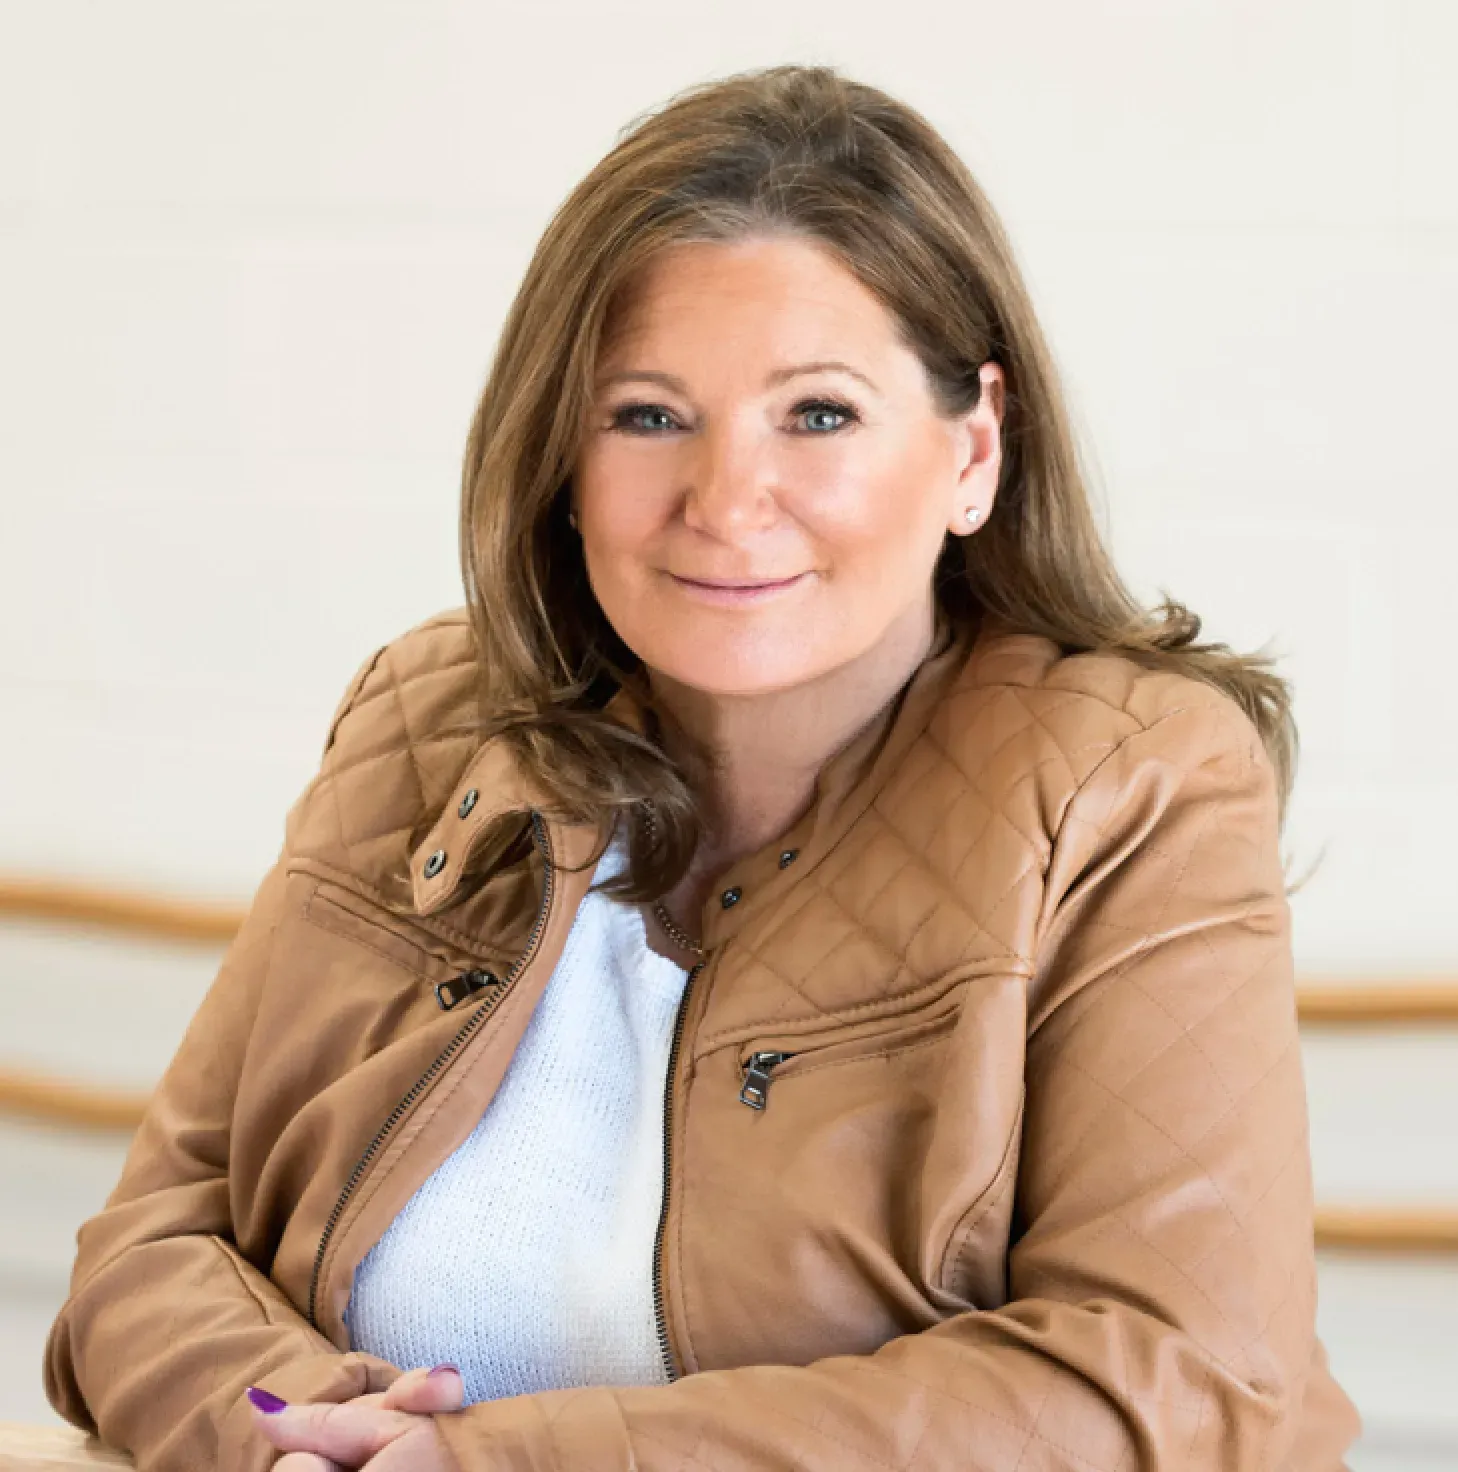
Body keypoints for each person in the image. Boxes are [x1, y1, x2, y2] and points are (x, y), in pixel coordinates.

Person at [44, 63, 1361, 1471]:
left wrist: (487, 1463)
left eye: (817, 414)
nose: (726, 501)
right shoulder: (426, 714)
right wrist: (283, 1436)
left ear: (972, 448)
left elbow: (1174, 1382)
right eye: (647, 415)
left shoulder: (1133, 779)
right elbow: (153, 1245)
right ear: (560, 449)